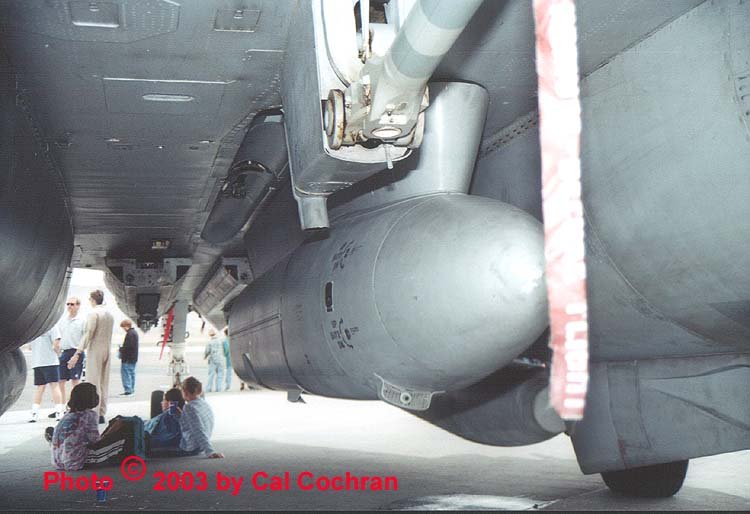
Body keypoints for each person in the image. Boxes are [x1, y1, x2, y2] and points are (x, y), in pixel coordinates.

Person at [67, 289, 114, 424]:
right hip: (107, 348)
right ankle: (102, 412)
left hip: (96, 349)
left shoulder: (93, 314)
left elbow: (89, 333)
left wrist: (78, 352)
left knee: (93, 381)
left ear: (92, 300)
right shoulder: (109, 314)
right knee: (104, 382)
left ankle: (95, 412)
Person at [50, 382, 101, 470]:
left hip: (58, 461)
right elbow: (95, 440)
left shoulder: (68, 415)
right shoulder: (89, 415)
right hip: (75, 461)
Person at [175, 377, 223, 458]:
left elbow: (198, 429)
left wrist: (210, 451)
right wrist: (181, 415)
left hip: (191, 447)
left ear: (185, 392)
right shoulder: (203, 403)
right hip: (199, 446)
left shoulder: (189, 407)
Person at [54, 297, 86, 409]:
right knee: (61, 380)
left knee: (75, 381)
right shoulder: (63, 321)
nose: (69, 306)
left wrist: (78, 354)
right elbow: (58, 337)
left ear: (78, 306)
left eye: (72, 304)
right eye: (68, 304)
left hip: (76, 352)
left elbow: (85, 339)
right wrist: (58, 352)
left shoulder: (82, 321)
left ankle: (73, 406)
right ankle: (63, 406)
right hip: (64, 353)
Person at [29, 326, 65, 421]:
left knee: (40, 387)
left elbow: (30, 346)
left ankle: (34, 413)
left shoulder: (34, 327)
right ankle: (59, 412)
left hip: (37, 361)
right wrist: (59, 354)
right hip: (50, 361)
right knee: (54, 386)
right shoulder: (52, 326)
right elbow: (56, 344)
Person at [144, 388, 184, 452]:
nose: (161, 402)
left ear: (170, 402)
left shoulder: (167, 417)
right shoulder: (184, 414)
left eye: (163, 400)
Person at [118, 319, 139, 396]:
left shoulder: (130, 334)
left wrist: (121, 349)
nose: (123, 329)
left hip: (127, 358)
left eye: (123, 327)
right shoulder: (134, 333)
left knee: (126, 374)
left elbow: (128, 347)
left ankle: (128, 390)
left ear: (126, 326)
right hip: (133, 357)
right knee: (131, 373)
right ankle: (131, 389)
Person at [203, 329, 225, 393]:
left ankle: (209, 388)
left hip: (213, 359)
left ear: (210, 335)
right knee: (220, 374)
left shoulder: (209, 342)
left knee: (211, 375)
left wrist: (205, 356)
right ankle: (219, 388)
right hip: (220, 359)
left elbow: (207, 351)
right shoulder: (220, 341)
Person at [222, 327, 232, 391]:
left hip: (229, 358)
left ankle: (228, 385)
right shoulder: (233, 339)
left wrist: (225, 355)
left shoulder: (225, 341)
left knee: (229, 372)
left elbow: (226, 350)